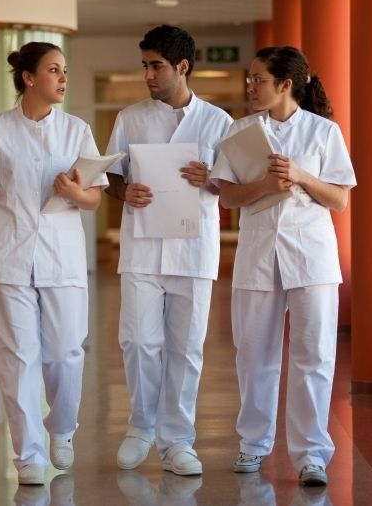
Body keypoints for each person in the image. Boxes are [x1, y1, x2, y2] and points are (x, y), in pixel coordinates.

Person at [0, 41, 108, 486]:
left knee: (66, 353)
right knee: (17, 358)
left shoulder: (78, 131)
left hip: (62, 260)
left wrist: (72, 193)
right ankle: (28, 455)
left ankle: (61, 429)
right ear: (28, 78)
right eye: (54, 70)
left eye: (64, 71)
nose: (63, 79)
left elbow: (94, 197)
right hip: (8, 260)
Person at [210, 46, 356, 487]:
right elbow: (226, 196)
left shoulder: (323, 133)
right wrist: (264, 185)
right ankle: (253, 444)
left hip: (311, 256)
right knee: (254, 354)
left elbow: (340, 199)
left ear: (285, 84)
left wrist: (301, 177)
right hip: (258, 255)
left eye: (259, 79)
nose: (250, 86)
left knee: (313, 354)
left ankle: (311, 454)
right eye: (250, 78)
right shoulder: (239, 132)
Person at [104, 25, 233, 476]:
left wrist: (211, 179)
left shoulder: (218, 122)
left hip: (194, 249)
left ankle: (177, 441)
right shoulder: (130, 118)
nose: (148, 75)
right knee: (138, 340)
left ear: (182, 67)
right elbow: (111, 177)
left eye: (156, 65)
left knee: (186, 348)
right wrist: (126, 192)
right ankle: (141, 426)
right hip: (142, 246)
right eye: (144, 65)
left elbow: (232, 186)